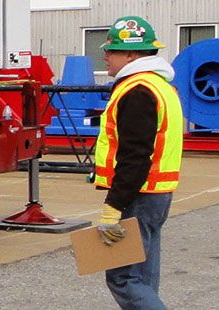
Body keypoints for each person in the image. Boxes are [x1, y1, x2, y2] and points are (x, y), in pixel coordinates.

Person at [92, 16, 182, 310]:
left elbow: (135, 156)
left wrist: (113, 206)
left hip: (138, 196)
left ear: (131, 54)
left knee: (124, 278)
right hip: (156, 195)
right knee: (142, 279)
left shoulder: (137, 91)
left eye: (112, 50)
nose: (105, 55)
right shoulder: (159, 86)